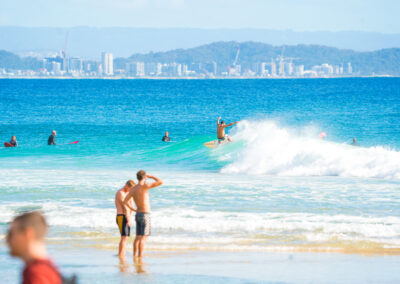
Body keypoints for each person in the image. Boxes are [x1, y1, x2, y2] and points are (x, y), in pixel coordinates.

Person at [6, 211, 62, 284]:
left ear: (28, 234)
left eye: (11, 234)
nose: (7, 240)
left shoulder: (36, 273)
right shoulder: (48, 268)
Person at [123, 170, 163, 258]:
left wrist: (133, 209)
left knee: (137, 237)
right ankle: (140, 257)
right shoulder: (145, 186)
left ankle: (134, 256)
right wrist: (152, 176)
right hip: (145, 214)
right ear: (144, 177)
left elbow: (125, 201)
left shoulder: (133, 189)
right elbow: (161, 182)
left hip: (138, 214)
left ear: (137, 178)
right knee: (143, 237)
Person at [115, 180, 136, 258]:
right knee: (124, 237)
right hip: (121, 217)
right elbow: (126, 208)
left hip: (126, 217)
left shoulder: (127, 193)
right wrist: (128, 219)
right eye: (130, 188)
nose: (131, 190)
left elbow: (132, 206)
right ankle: (120, 255)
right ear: (126, 185)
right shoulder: (121, 193)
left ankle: (122, 254)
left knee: (126, 237)